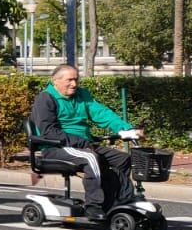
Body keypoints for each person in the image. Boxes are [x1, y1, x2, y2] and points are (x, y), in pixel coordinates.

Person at [29, 64, 142, 217]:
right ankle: (93, 206)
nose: (74, 84)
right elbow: (48, 131)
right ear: (55, 80)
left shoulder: (82, 95)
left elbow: (101, 113)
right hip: (55, 147)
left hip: (83, 145)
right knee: (91, 158)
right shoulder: (46, 98)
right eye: (70, 80)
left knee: (122, 159)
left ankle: (116, 201)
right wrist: (81, 142)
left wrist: (125, 129)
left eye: (76, 80)